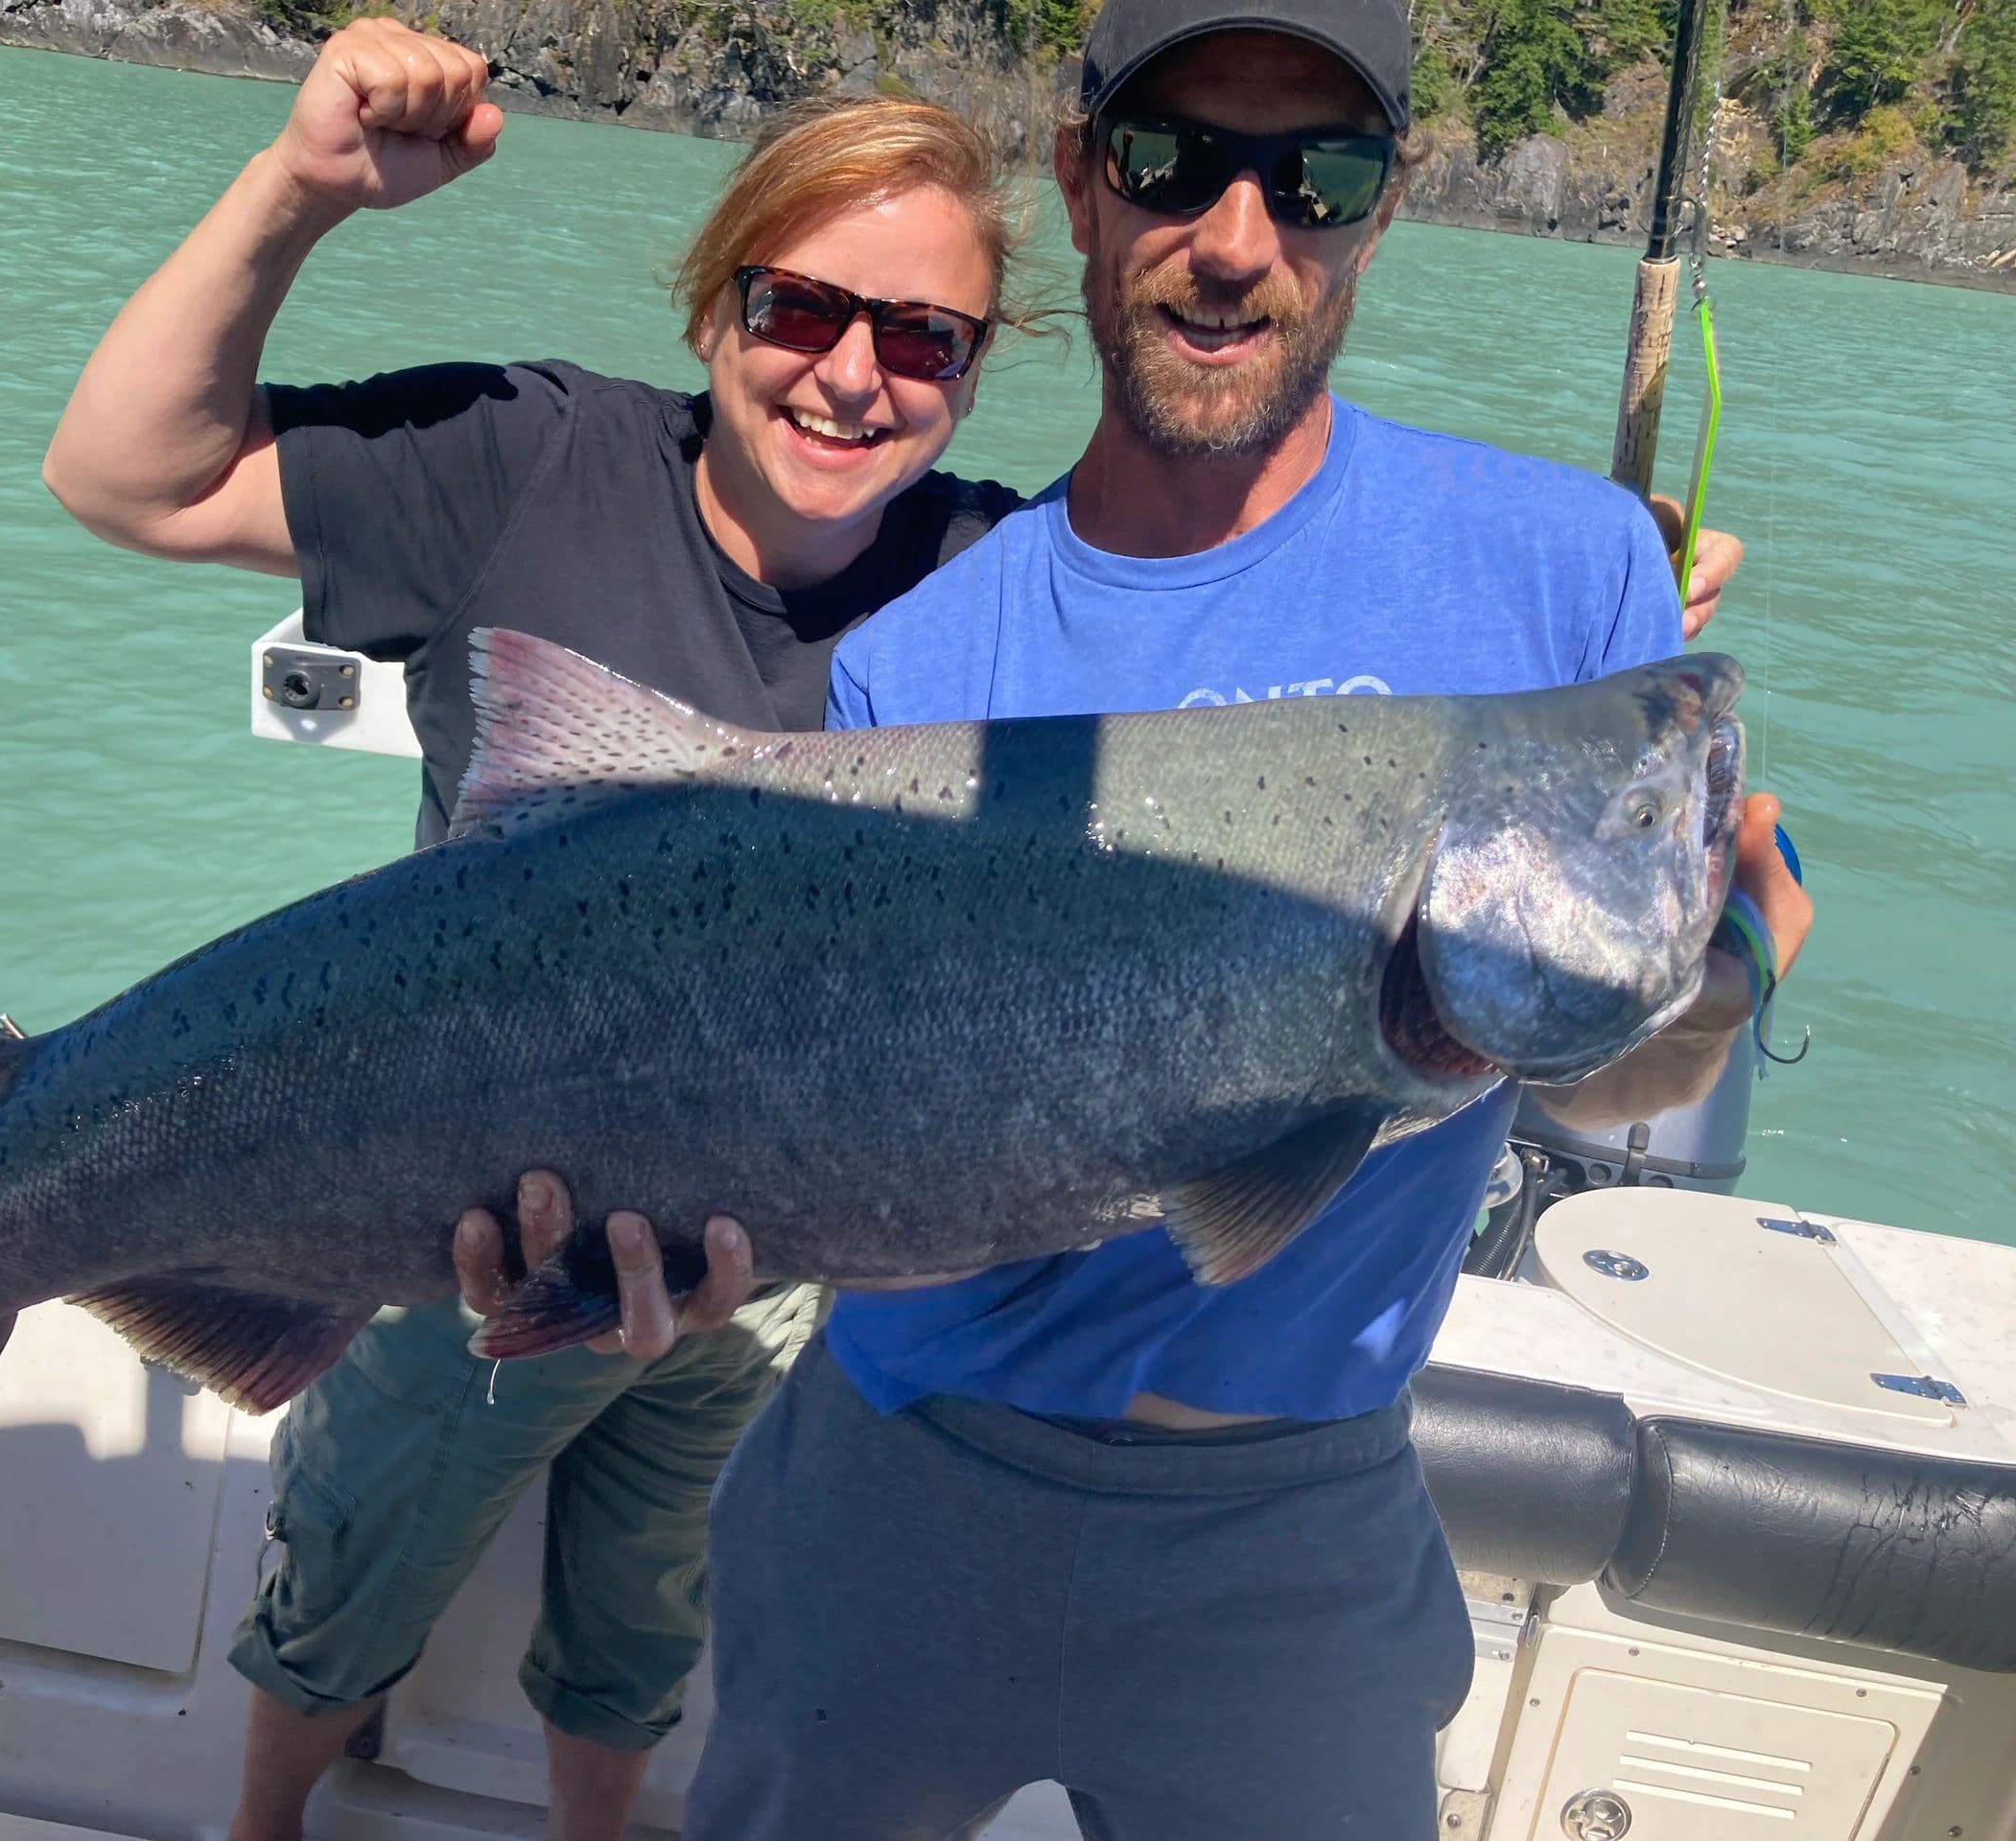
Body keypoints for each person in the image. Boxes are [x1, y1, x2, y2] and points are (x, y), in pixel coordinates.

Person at [620, 3, 1810, 1837]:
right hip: (898, 1489)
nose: (1239, 241)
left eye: (1315, 176)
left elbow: (1612, 1073)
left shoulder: (1576, 571)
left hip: (1300, 1533)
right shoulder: (926, 657)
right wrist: (687, 1227)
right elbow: (870, 1150)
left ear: (1381, 208)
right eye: (1176, 161)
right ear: (1086, 186)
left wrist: (1715, 978)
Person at [38, 22, 1035, 1840]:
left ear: (972, 371)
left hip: (764, 1261)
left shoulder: (1001, 580)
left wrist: (1582, 618)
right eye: (801, 310)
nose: (850, 376)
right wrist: (298, 196)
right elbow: (128, 480)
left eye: (921, 340)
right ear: (713, 307)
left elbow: (1257, 670)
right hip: (451, 1208)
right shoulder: (532, 461)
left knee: (654, 1610)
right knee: (350, 1575)